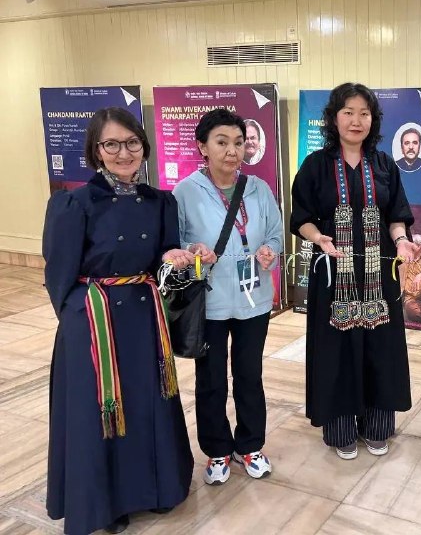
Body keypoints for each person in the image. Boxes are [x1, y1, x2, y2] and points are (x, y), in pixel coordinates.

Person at [42, 108, 194, 534]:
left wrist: (173, 257)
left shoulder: (159, 201)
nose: (123, 153)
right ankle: (108, 504)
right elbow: (58, 274)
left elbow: (163, 254)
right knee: (102, 410)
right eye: (112, 144)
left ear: (144, 147)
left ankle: (157, 490)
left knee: (148, 400)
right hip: (94, 322)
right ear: (96, 150)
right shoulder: (74, 203)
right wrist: (79, 320)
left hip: (144, 317)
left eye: (132, 143)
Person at [290, 82, 417, 460]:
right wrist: (318, 238)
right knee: (336, 351)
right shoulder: (315, 165)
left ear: (373, 120)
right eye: (348, 112)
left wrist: (402, 242)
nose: (356, 120)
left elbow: (397, 217)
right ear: (333, 118)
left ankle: (377, 425)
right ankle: (341, 427)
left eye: (364, 113)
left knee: (381, 347)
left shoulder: (384, 165)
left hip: (379, 275)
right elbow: (301, 218)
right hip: (333, 274)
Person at [173, 108, 283, 486]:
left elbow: (275, 233)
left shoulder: (259, 188)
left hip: (254, 298)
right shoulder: (185, 192)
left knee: (250, 375)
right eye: (222, 142)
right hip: (210, 301)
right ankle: (217, 449)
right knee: (212, 379)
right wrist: (193, 250)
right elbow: (175, 242)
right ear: (203, 147)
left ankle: (250, 445)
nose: (232, 151)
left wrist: (270, 250)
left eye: (239, 142)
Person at [399, 233, 421, 326]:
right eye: (410, 248)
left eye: (413, 249)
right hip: (409, 296)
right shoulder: (404, 257)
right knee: (414, 311)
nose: (412, 251)